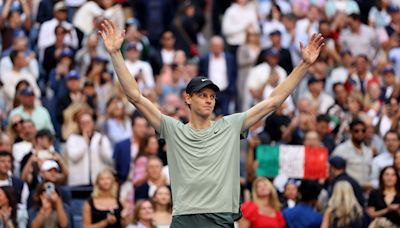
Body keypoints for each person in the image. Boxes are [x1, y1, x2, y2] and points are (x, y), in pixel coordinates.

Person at [98, 19, 324, 227]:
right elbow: (135, 97)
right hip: (184, 218)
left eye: (212, 96)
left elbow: (273, 102)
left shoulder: (230, 125)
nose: (208, 100)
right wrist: (116, 54)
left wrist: (303, 65)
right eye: (202, 95)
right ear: (187, 98)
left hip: (220, 218)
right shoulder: (173, 128)